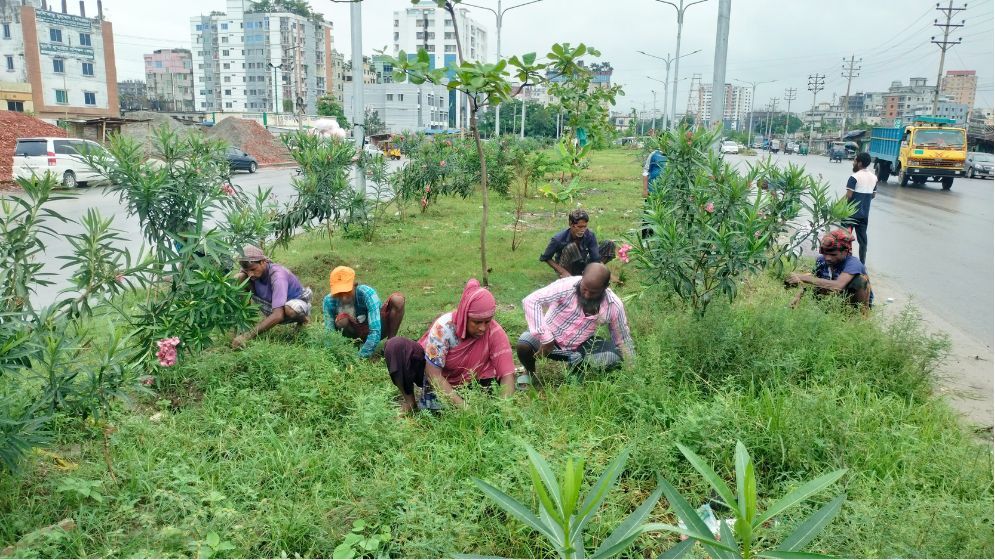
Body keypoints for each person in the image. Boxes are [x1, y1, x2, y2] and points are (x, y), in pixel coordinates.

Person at [384, 279, 516, 414]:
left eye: (487, 321)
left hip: (473, 383)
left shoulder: (494, 332)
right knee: (395, 346)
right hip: (438, 378)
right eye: (476, 322)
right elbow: (433, 374)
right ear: (465, 316)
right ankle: (410, 402)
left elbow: (507, 374)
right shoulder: (444, 328)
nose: (482, 328)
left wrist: (505, 408)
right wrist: (465, 409)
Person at [517, 263, 634, 382]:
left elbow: (622, 339)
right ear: (582, 276)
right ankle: (530, 372)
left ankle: (574, 375)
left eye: (593, 292)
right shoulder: (566, 286)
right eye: (584, 289)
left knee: (613, 357)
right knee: (524, 344)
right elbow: (531, 301)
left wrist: (632, 368)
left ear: (606, 287)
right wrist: (546, 338)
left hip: (580, 348)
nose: (587, 295)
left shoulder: (614, 305)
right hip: (548, 341)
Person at [232, 244, 312, 349]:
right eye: (247, 270)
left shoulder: (278, 275)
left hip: (294, 303)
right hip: (272, 303)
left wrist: (248, 335)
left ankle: (304, 320)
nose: (250, 274)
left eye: (253, 269)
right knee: (239, 278)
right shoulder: (250, 272)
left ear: (263, 262)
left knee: (289, 310)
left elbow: (278, 315)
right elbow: (242, 275)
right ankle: (246, 324)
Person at [323, 266, 405, 358]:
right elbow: (328, 333)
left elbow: (375, 330)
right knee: (342, 319)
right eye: (339, 293)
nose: (343, 297)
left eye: (347, 292)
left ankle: (390, 345)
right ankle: (352, 345)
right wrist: (331, 355)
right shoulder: (329, 301)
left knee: (397, 300)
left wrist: (361, 357)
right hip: (352, 332)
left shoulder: (367, 293)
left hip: (375, 327)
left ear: (355, 285)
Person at [785, 229, 873, 313]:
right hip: (836, 298)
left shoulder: (853, 263)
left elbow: (838, 286)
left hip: (853, 302)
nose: (828, 258)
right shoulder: (821, 260)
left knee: (860, 280)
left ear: (845, 252)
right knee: (812, 278)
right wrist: (798, 296)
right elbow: (813, 280)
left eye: (833, 254)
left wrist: (802, 277)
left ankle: (858, 317)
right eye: (825, 254)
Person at [539, 209, 616, 278]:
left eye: (585, 227)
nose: (582, 230)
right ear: (571, 225)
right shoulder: (558, 239)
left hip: (582, 263)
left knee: (609, 244)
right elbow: (546, 258)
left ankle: (589, 274)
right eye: (579, 227)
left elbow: (596, 259)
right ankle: (569, 278)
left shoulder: (590, 235)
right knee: (571, 247)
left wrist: (607, 274)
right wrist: (563, 271)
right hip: (566, 266)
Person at [845, 151, 877, 264]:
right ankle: (862, 264)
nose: (853, 163)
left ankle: (847, 261)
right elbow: (873, 195)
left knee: (845, 238)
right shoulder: (874, 177)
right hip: (863, 215)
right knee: (863, 241)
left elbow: (848, 196)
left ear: (859, 163)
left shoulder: (854, 177)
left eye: (854, 160)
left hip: (849, 214)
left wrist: (838, 207)